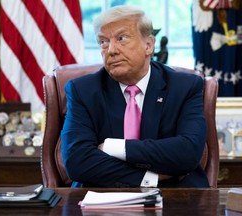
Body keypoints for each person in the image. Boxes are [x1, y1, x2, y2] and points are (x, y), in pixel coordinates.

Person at [61, 5, 209, 188]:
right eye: (103, 42)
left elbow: (188, 152)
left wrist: (113, 147)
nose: (111, 50)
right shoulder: (82, 90)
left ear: (148, 45)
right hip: (102, 196)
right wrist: (149, 178)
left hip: (175, 194)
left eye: (121, 39)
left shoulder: (185, 86)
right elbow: (77, 162)